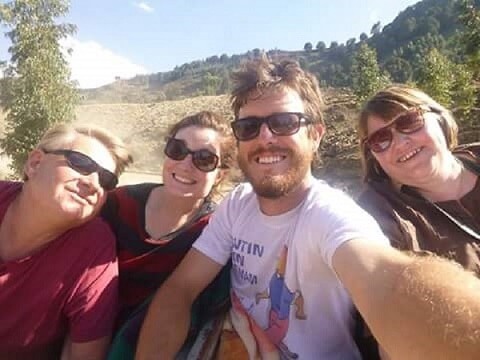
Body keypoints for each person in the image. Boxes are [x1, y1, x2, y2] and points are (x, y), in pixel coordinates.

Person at [136, 57, 480, 360]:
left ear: (315, 134)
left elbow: (389, 284)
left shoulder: (332, 215)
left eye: (284, 122)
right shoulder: (237, 204)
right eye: (248, 126)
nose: (265, 137)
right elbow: (180, 290)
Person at [101, 111, 236, 359]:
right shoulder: (118, 204)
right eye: (177, 149)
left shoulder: (214, 233)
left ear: (221, 174)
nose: (185, 164)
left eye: (204, 159)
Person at [0, 123, 132, 360]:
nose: (93, 183)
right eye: (81, 163)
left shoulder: (93, 251)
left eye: (106, 180)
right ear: (35, 163)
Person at [356, 84, 480, 275]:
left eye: (409, 122)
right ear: (373, 156)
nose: (400, 143)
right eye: (380, 139)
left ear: (439, 118)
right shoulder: (381, 215)